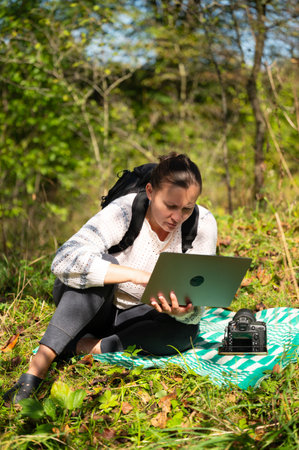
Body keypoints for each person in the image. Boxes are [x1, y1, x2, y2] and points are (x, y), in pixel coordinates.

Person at [4, 152, 217, 404]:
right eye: (170, 206)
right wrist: (137, 276)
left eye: (186, 208)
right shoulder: (124, 211)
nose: (177, 217)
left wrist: (180, 311)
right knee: (102, 265)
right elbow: (64, 259)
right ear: (150, 191)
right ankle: (36, 369)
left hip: (140, 316)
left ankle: (80, 347)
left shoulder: (202, 224)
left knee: (185, 334)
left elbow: (197, 303)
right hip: (92, 306)